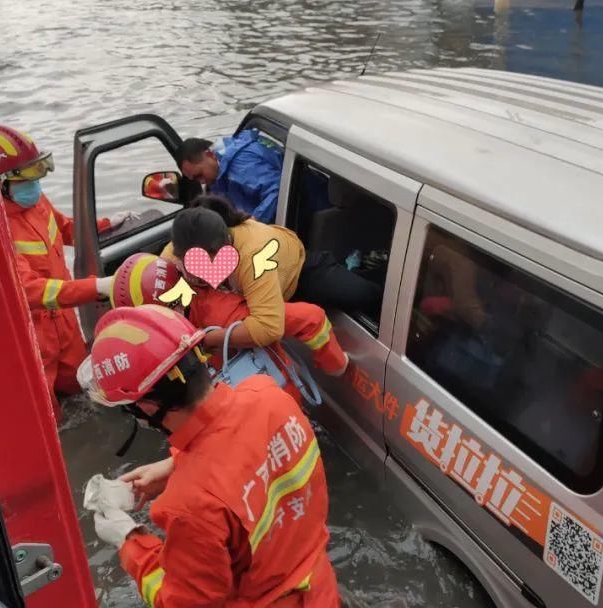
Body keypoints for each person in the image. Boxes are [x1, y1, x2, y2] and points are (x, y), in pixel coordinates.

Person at [79, 305, 340, 607]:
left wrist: (128, 540)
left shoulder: (189, 506)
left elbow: (184, 602)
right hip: (319, 588)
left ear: (147, 408)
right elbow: (239, 447)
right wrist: (175, 465)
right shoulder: (267, 394)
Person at [0, 124, 134, 415]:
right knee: (49, 417)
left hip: (65, 327)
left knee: (87, 394)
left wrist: (104, 225)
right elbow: (28, 290)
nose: (35, 185)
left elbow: (67, 230)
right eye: (27, 177)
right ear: (0, 182)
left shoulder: (37, 202)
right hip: (35, 341)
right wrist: (98, 286)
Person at [161, 195, 381, 350]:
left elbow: (268, 328)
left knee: (363, 295)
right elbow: (157, 297)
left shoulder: (254, 253)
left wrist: (205, 339)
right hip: (243, 301)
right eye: (188, 262)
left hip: (295, 274)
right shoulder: (174, 255)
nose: (196, 273)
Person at [110, 252, 349, 385]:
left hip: (271, 413)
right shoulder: (180, 323)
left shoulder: (223, 314)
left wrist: (336, 366)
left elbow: (311, 319)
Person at [176, 130, 284, 223]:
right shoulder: (217, 175)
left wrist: (253, 222)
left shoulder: (242, 165)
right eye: (195, 180)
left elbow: (278, 190)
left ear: (209, 155)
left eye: (199, 175)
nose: (202, 182)